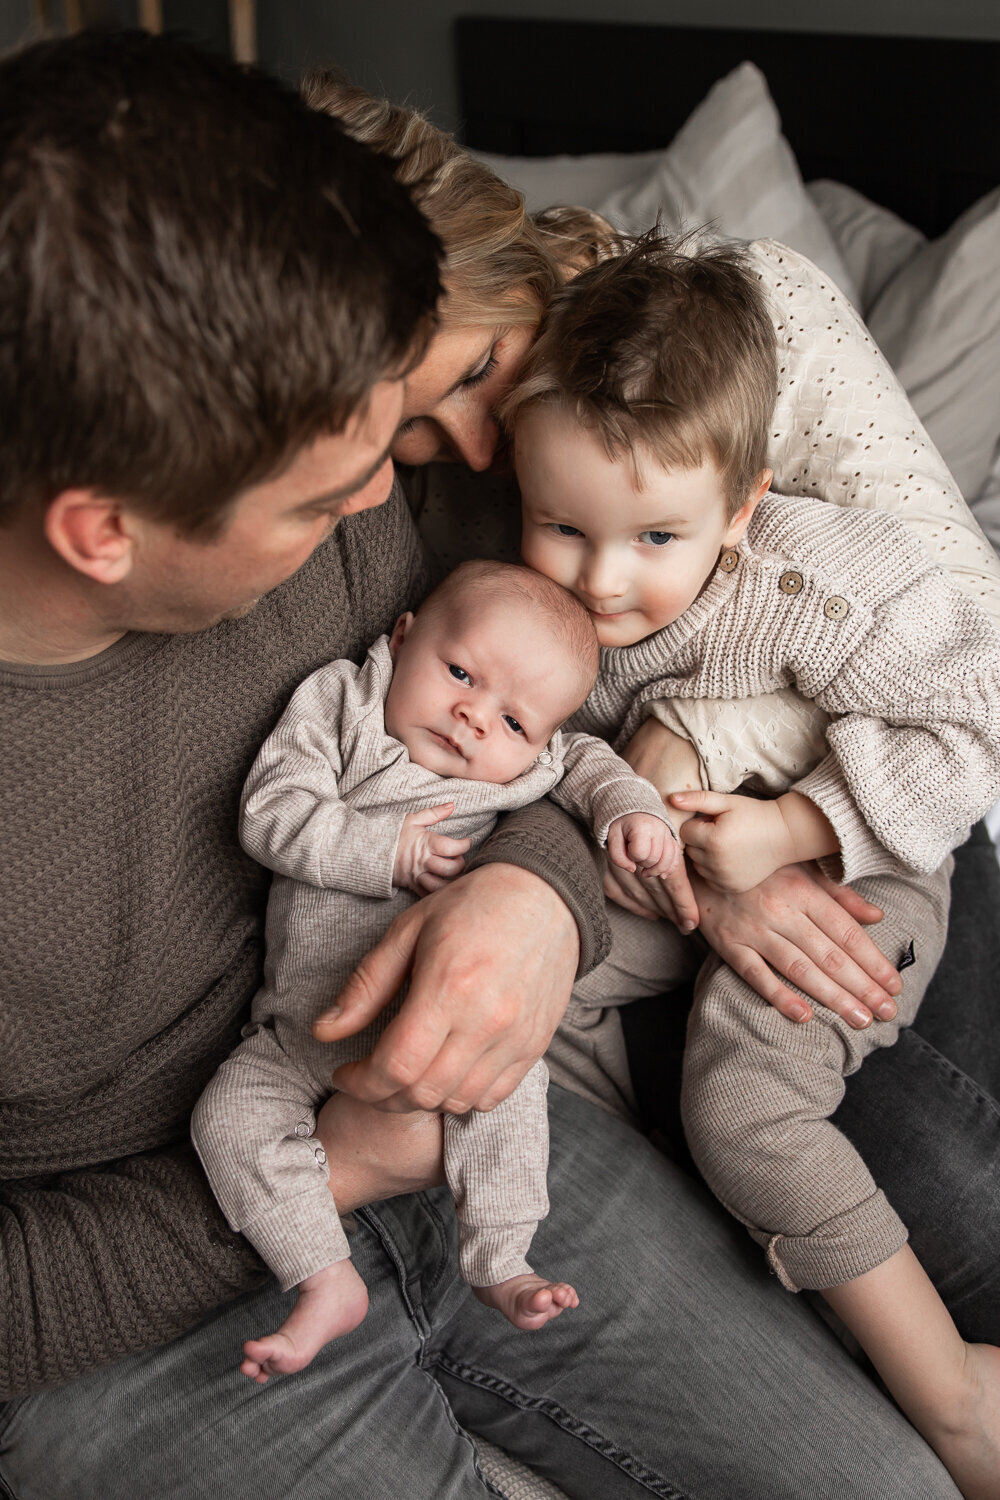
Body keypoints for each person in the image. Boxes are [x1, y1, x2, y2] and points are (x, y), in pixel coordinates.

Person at [3, 30, 962, 1500]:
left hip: (489, 1130)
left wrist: (538, 898)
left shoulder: (356, 483)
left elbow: (561, 705)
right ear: (100, 530)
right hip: (139, 1306)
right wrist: (328, 1170)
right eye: (333, 485)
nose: (400, 484)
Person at [311, 76, 1000, 1352]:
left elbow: (957, 630)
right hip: (649, 871)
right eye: (414, 426)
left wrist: (729, 788)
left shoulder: (742, 320)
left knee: (953, 1196)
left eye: (474, 371)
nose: (467, 447)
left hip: (871, 808)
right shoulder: (419, 500)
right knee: (750, 1155)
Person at [504, 232, 1000, 1496]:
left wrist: (796, 828)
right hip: (680, 873)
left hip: (865, 863)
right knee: (538, 990)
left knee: (745, 1108)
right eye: (561, 526)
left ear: (740, 509)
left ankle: (954, 1403)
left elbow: (977, 715)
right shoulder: (543, 588)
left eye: (655, 539)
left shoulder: (825, 583)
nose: (603, 583)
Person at [192, 559, 673, 1378]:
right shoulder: (341, 703)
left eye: (515, 723)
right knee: (225, 1120)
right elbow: (270, 812)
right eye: (460, 673)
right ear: (403, 637)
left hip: (449, 1021)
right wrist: (387, 849)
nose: (473, 719)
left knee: (510, 1090)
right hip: (297, 1034)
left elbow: (591, 763)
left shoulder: (536, 765)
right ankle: (322, 1273)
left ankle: (501, 1258)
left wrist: (634, 810)